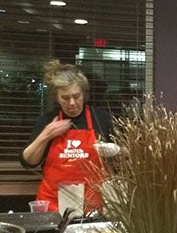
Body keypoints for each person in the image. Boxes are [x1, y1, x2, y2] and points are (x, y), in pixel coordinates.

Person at [20, 59, 112, 214]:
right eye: (65, 98)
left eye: (76, 96)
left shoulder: (100, 118)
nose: (72, 103)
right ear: (57, 97)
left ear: (84, 94)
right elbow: (28, 162)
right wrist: (46, 135)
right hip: (52, 206)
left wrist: (115, 150)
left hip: (92, 206)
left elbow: (122, 159)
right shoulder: (48, 120)